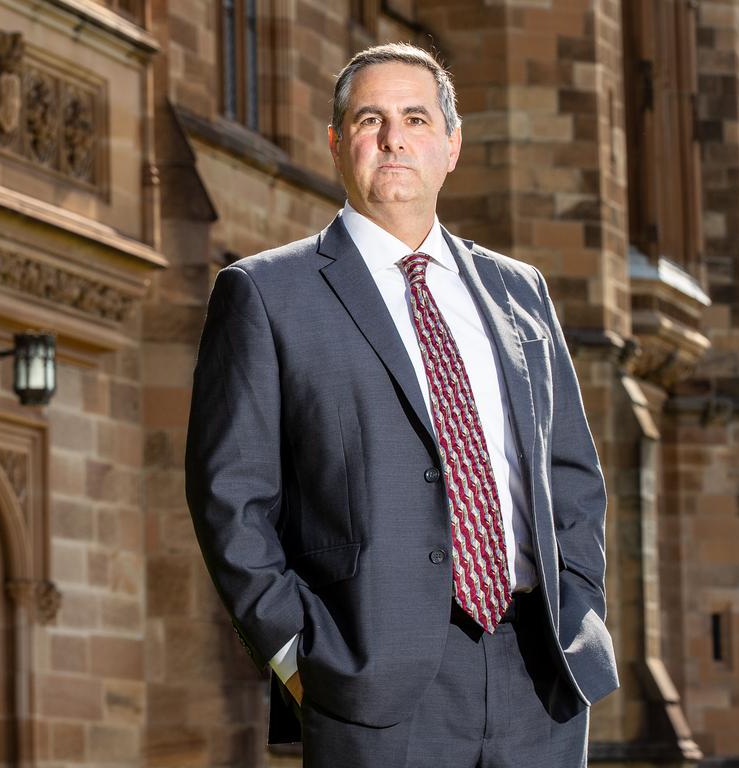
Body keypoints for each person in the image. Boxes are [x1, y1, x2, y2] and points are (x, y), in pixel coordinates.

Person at [185, 42, 618, 767]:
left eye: (416, 118)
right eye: (369, 119)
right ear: (335, 142)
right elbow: (229, 498)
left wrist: (579, 605)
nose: (393, 137)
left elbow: (570, 473)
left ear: (451, 145)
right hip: (370, 684)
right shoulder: (266, 295)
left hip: (539, 677)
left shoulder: (520, 291)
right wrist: (301, 656)